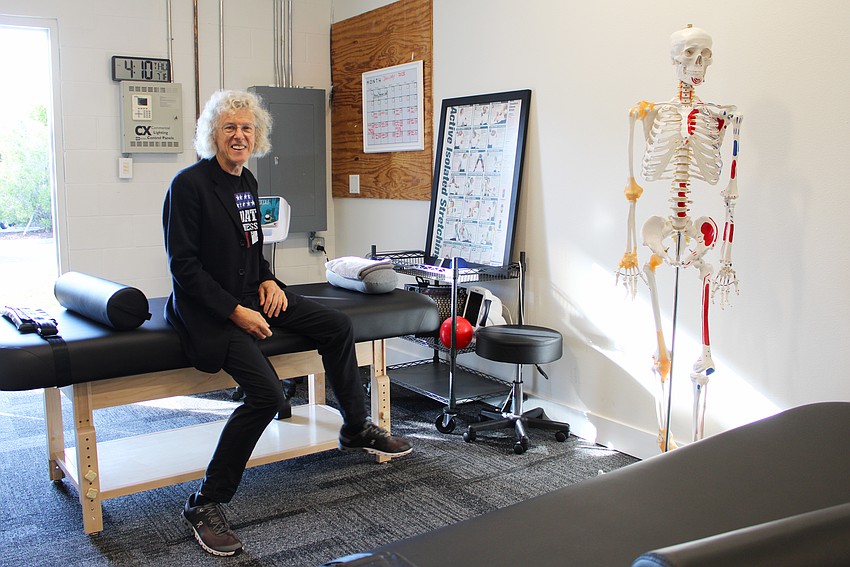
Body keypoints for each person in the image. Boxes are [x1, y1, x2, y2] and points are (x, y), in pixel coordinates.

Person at [162, 90, 412, 557]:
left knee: (336, 326)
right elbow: (184, 268)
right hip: (208, 311)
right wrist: (236, 311)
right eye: (229, 128)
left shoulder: (247, 182)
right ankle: (206, 502)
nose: (239, 135)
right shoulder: (189, 186)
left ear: (256, 136)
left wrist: (269, 280)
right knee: (266, 395)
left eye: (246, 128)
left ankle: (355, 426)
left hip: (250, 294)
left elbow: (251, 251)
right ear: (212, 135)